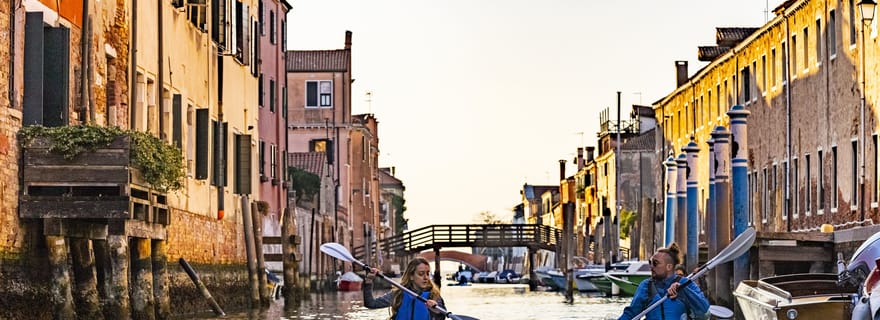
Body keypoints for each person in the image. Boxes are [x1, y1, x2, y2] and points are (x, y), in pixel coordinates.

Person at [618, 243, 710, 320]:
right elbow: (630, 314)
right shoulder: (646, 286)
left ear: (669, 267)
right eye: (650, 262)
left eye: (655, 263)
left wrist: (683, 289)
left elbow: (704, 313)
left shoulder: (686, 284)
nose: (651, 267)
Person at [363, 257, 446, 320]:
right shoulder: (399, 294)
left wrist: (436, 310)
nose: (426, 277)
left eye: (427, 274)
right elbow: (371, 304)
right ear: (411, 276)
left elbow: (442, 317)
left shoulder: (434, 295)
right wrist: (368, 280)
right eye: (421, 274)